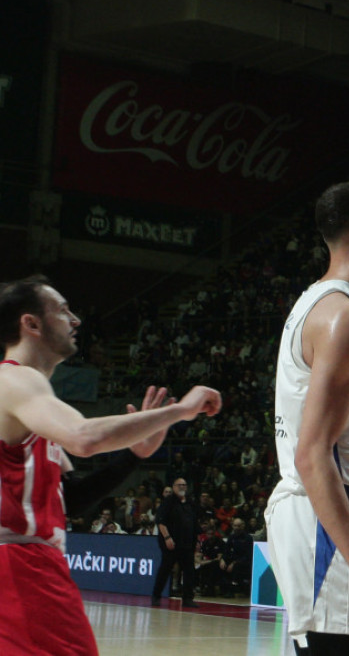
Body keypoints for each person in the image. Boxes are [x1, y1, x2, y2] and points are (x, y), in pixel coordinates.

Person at [0, 276, 221, 655]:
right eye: (63, 310)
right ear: (31, 324)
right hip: (19, 560)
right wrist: (180, 410)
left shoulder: (34, 403)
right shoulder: (15, 380)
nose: (75, 320)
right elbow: (84, 437)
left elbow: (74, 497)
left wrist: (134, 455)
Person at [265, 180, 349, 655]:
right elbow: (311, 453)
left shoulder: (323, 304)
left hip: (332, 519)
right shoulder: (345, 316)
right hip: (330, 526)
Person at [151, 477, 200, 606]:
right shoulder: (168, 502)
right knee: (165, 569)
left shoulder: (190, 502)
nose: (182, 487)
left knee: (189, 570)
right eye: (179, 485)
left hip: (187, 543)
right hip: (171, 543)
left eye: (184, 485)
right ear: (173, 487)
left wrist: (197, 539)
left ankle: (188, 599)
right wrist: (167, 538)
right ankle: (156, 596)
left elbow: (194, 522)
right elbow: (161, 522)